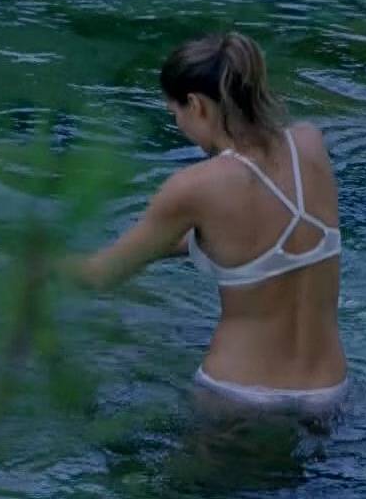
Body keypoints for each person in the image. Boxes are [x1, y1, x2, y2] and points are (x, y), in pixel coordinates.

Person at [66, 32, 347, 421]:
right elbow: (261, 241)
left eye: (176, 114)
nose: (179, 125)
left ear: (197, 105)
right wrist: (165, 244)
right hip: (329, 390)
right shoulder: (310, 144)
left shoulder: (195, 186)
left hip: (239, 392)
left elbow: (101, 276)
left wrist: (36, 263)